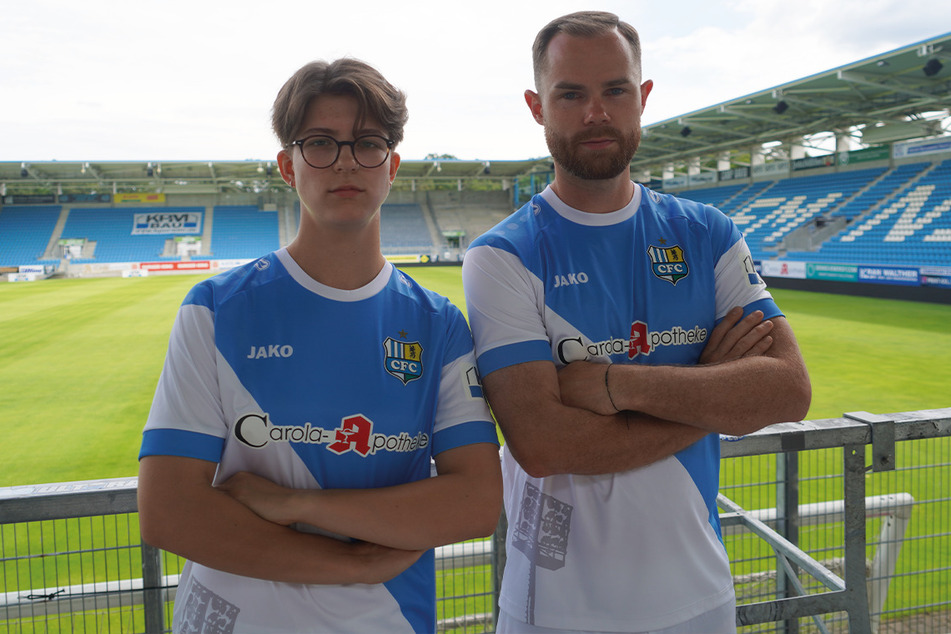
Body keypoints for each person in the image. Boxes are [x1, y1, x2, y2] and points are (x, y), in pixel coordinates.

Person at [462, 11, 811, 634]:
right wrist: (710, 393)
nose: (596, 112)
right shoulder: (503, 255)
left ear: (642, 98)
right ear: (537, 107)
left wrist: (613, 385)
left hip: (701, 597)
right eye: (571, 93)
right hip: (558, 609)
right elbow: (544, 446)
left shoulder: (706, 233)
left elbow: (787, 390)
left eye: (615, 90)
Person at [137, 58, 503, 634]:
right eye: (320, 144)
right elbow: (169, 513)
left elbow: (477, 501)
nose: (346, 163)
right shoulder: (215, 309)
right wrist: (351, 565)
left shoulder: (439, 324)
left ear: (392, 166)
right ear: (287, 166)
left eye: (367, 144)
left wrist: (301, 505)